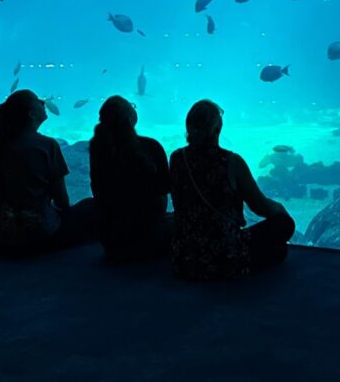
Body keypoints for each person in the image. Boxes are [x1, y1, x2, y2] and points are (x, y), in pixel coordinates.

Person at [169, 99, 295, 280]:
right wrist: (280, 209)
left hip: (185, 257)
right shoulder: (231, 162)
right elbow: (260, 207)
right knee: (284, 225)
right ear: (217, 130)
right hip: (224, 257)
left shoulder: (177, 158)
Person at [0, 89, 96, 255]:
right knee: (92, 206)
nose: (42, 102)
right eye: (37, 100)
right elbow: (62, 201)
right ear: (31, 114)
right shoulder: (47, 146)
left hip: (1, 237)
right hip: (41, 233)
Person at [89, 95, 172, 262]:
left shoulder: (98, 148)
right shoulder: (151, 146)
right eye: (132, 107)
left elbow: (97, 190)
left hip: (112, 243)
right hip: (149, 238)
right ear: (129, 117)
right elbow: (164, 189)